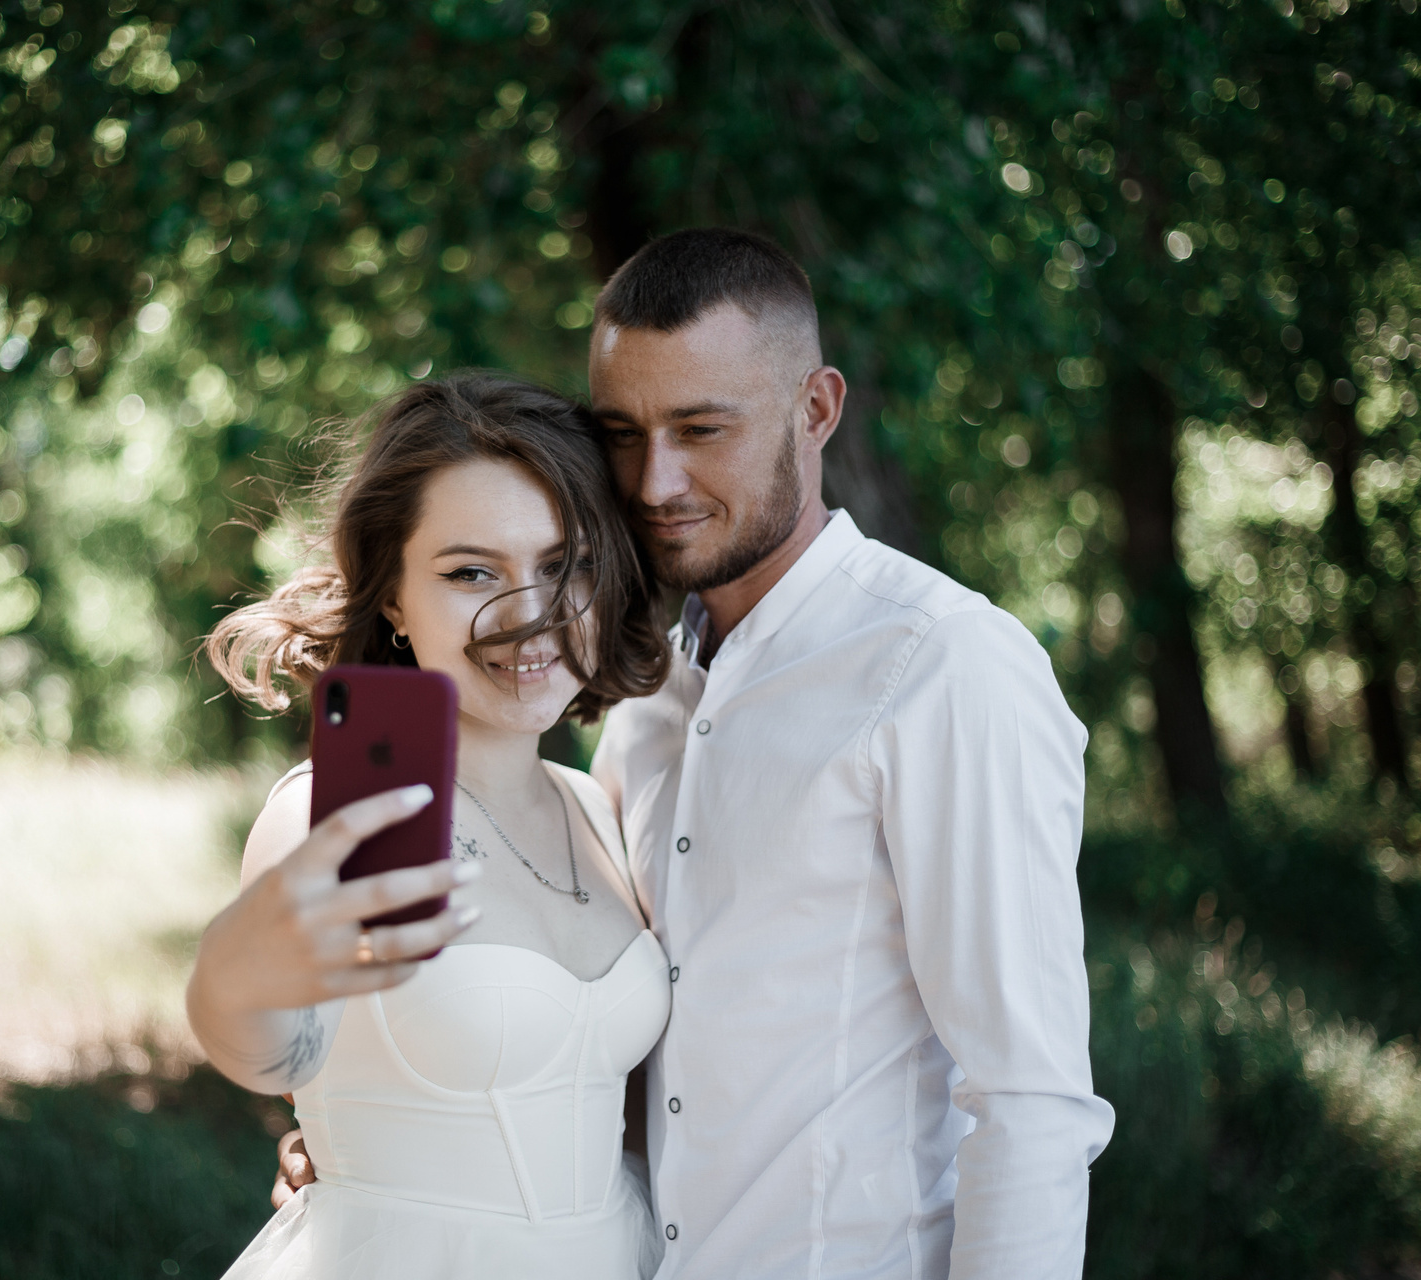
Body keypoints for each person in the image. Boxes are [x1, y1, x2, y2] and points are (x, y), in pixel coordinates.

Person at [277, 228, 1116, 1279]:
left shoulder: (944, 667)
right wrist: (393, 1154)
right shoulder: (645, 703)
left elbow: (1030, 1101)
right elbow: (613, 1054)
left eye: (701, 428)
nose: (654, 481)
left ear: (817, 409)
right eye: (621, 434)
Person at [187, 374, 674, 1279]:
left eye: (564, 565)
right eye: (471, 573)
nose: (528, 616)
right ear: (395, 600)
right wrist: (231, 988)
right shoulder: (334, 814)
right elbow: (263, 1042)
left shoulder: (597, 809)